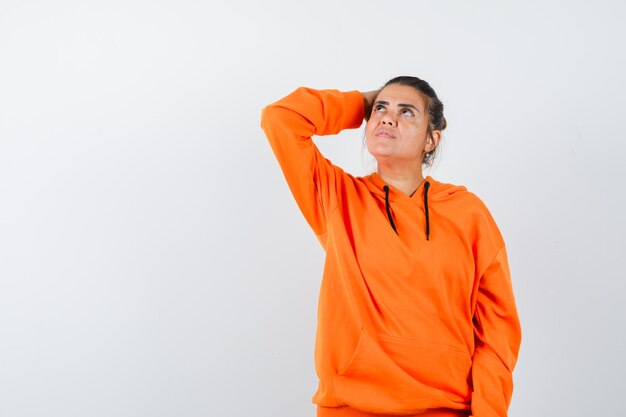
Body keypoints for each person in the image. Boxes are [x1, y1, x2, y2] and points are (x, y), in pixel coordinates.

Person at [260, 76, 522, 417]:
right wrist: (361, 103)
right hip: (351, 408)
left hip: (446, 408)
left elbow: (497, 329)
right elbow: (280, 118)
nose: (387, 117)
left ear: (432, 139)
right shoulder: (337, 198)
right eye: (381, 108)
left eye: (407, 111)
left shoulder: (468, 212)